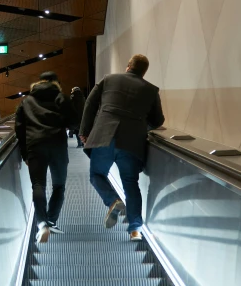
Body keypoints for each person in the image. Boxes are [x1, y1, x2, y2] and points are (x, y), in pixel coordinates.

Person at [79, 54, 165, 241]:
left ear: (128, 66)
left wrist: (84, 131)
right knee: (131, 184)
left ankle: (112, 200)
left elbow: (90, 103)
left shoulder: (108, 79)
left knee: (97, 175)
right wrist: (140, 125)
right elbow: (158, 120)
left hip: (104, 136)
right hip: (132, 142)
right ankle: (135, 230)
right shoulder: (151, 90)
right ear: (144, 72)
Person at [14, 71, 83, 243]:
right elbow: (75, 123)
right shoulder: (61, 98)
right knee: (59, 186)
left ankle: (42, 223)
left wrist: (25, 154)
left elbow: (19, 129)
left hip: (35, 147)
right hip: (58, 147)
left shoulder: (26, 101)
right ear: (56, 82)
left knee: (38, 185)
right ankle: (52, 220)